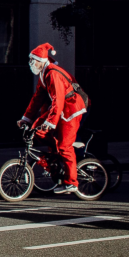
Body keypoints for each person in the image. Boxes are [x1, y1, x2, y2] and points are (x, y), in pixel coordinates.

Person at [17, 43, 87, 195]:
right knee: (36, 130)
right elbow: (37, 99)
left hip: (71, 109)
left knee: (64, 146)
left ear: (41, 60)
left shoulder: (53, 74)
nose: (30, 63)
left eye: (32, 60)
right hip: (59, 109)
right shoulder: (43, 74)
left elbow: (58, 100)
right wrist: (26, 119)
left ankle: (71, 183)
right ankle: (55, 159)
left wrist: (51, 122)